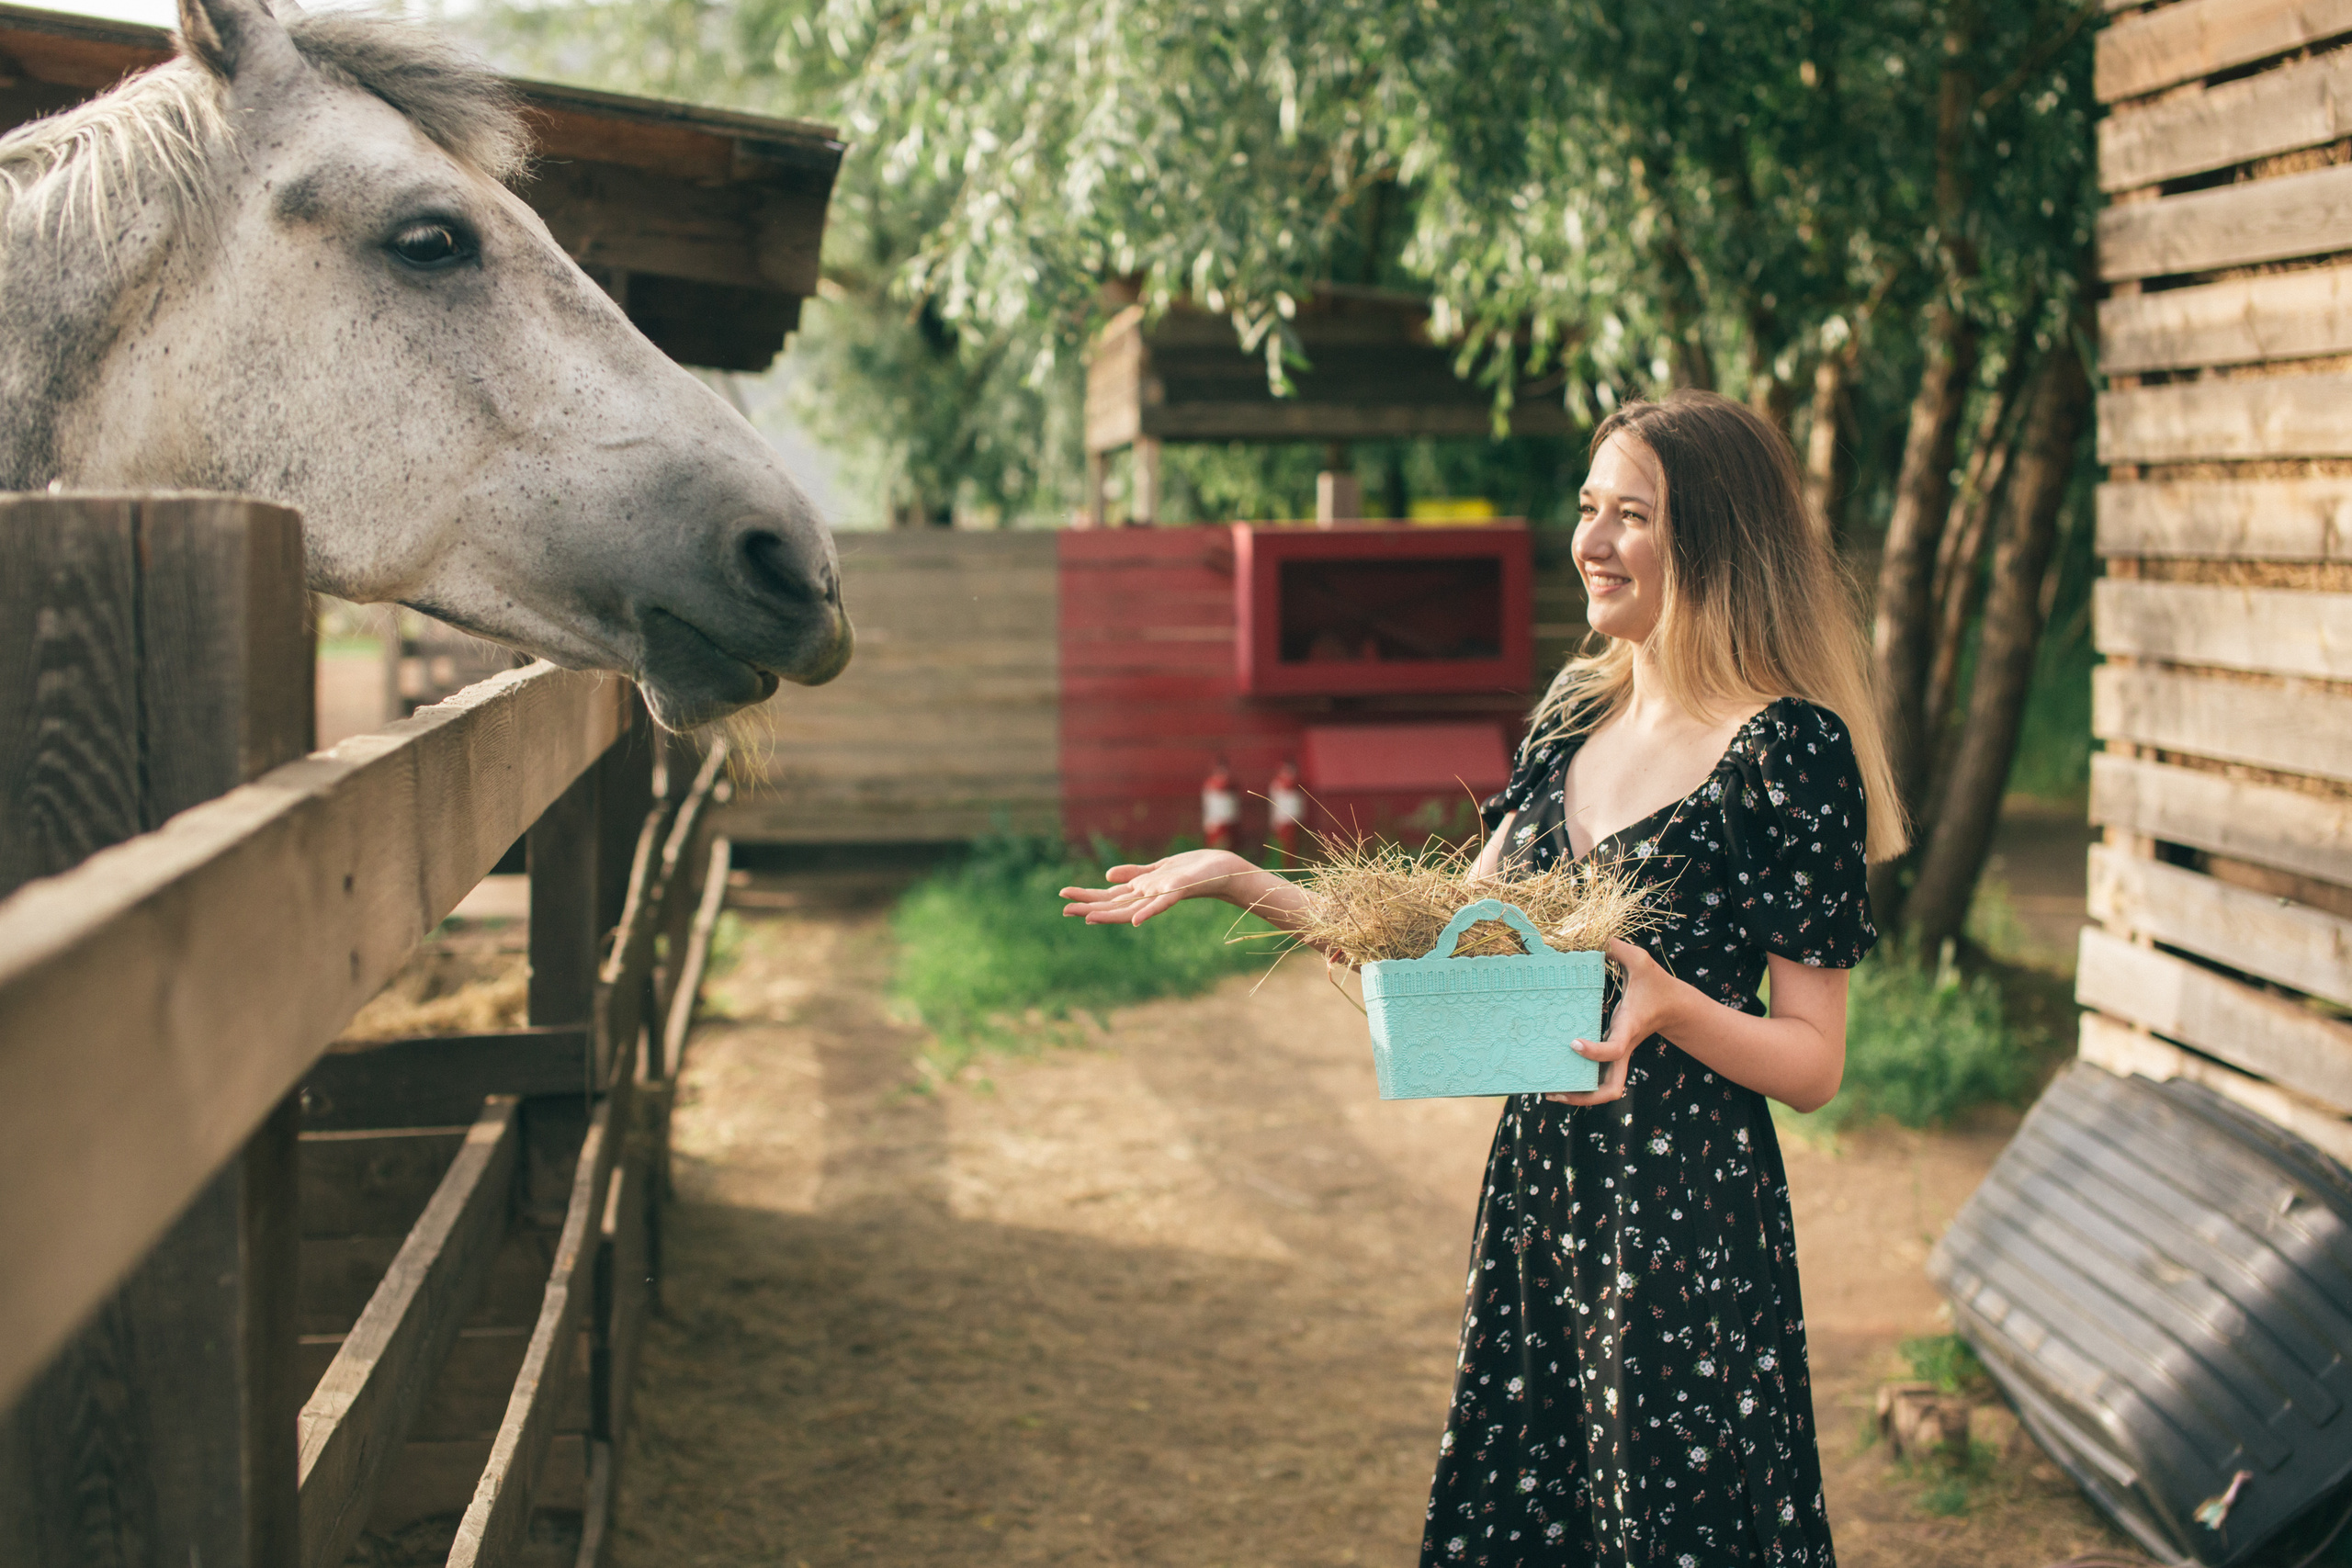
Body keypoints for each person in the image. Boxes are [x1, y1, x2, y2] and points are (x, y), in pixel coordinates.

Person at [1059, 389, 1905, 1566]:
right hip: (1539, 1200)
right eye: (1587, 507)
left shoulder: (1787, 749)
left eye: (1632, 516)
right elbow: (1444, 945)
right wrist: (1240, 878)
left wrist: (1669, 1005)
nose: (1590, 542)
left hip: (1685, 1224)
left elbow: (1813, 1064)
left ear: (1713, 540)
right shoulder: (1568, 721)